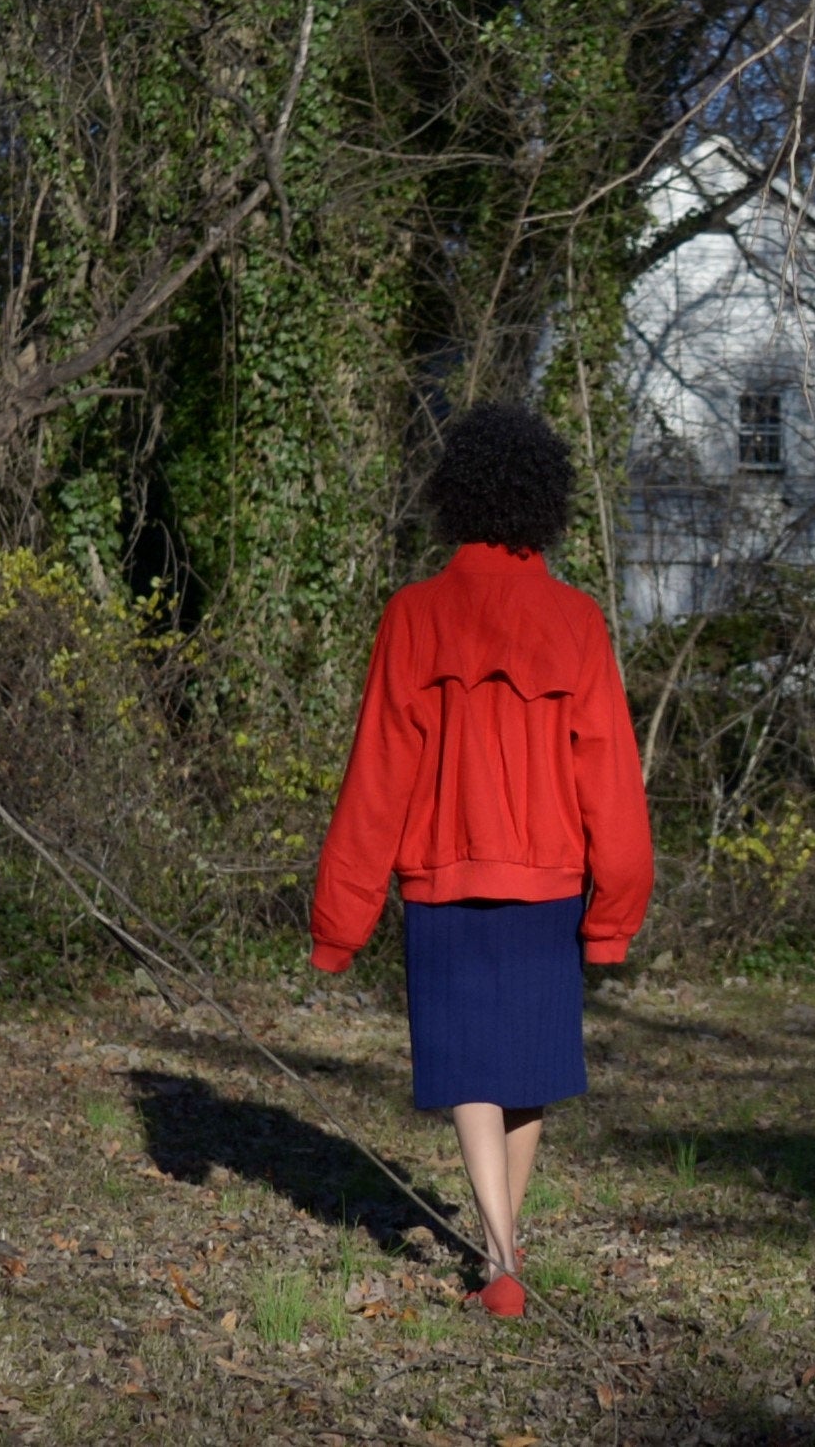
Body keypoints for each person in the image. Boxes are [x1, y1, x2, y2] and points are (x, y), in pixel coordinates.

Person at [309, 402, 654, 1318]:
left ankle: (500, 1261)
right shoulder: (576, 621)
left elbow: (377, 777)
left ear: (452, 494)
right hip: (548, 886)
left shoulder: (415, 615)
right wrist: (614, 911)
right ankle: (504, 1252)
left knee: (472, 1070)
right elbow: (613, 779)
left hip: (443, 882)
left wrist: (341, 920)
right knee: (527, 1069)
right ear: (546, 499)